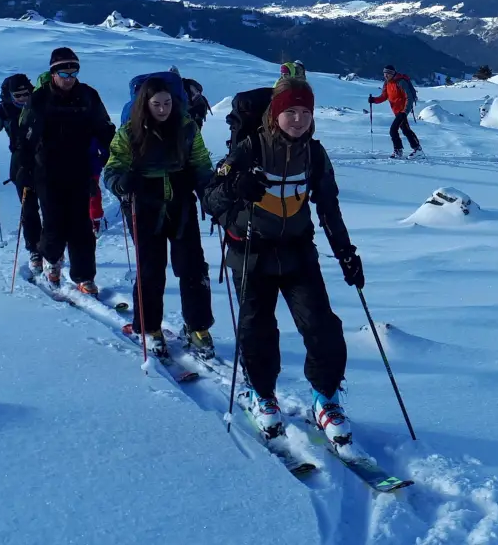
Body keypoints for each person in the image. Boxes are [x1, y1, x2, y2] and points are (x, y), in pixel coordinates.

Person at [205, 71, 364, 448]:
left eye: (305, 113)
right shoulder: (249, 149)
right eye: (290, 112)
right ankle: (261, 395)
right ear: (275, 115)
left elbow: (328, 208)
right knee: (257, 330)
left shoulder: (315, 153)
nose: (298, 119)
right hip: (250, 251)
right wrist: (234, 186)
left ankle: (326, 400)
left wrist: (346, 254)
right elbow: (211, 198)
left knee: (322, 326)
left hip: (297, 251)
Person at [103, 75, 215, 360]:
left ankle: (198, 326)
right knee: (151, 268)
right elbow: (113, 168)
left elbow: (201, 162)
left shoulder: (187, 128)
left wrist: (212, 195)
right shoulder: (129, 132)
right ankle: (149, 327)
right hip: (144, 205)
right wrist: (120, 182)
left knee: (192, 266)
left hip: (181, 203)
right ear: (145, 104)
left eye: (167, 103)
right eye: (156, 104)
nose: (163, 109)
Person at [20, 47, 115, 294]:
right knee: (53, 222)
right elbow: (25, 137)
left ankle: (84, 276)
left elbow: (104, 128)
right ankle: (52, 260)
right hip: (47, 170)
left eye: (74, 71)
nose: (69, 77)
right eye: (64, 72)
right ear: (53, 73)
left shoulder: (88, 95)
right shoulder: (39, 99)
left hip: (79, 168)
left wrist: (112, 151)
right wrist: (24, 168)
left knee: (81, 225)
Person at [0, 74, 42, 266]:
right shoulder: (2, 111)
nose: (23, 99)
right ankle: (34, 249)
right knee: (29, 208)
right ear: (9, 96)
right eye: (17, 96)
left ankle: (53, 248)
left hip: (45, 159)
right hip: (19, 163)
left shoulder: (40, 105)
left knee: (52, 206)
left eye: (26, 94)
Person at [369, 64, 421, 158]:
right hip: (397, 111)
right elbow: (384, 96)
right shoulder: (387, 83)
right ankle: (417, 149)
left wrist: (404, 112)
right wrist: (374, 100)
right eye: (384, 73)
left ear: (392, 74)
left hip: (402, 111)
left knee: (393, 130)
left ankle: (399, 150)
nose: (386, 76)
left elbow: (409, 97)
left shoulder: (401, 82)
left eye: (388, 74)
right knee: (406, 130)